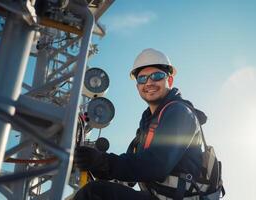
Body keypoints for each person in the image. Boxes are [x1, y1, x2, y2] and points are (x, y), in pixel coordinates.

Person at [73, 48, 222, 200]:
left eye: (157, 76)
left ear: (169, 80)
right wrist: (96, 164)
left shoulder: (180, 112)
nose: (149, 82)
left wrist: (104, 162)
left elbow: (157, 164)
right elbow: (131, 170)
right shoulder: (147, 124)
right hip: (157, 196)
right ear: (137, 86)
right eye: (142, 79)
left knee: (95, 194)